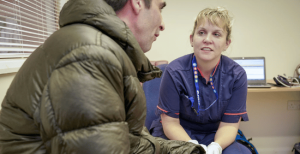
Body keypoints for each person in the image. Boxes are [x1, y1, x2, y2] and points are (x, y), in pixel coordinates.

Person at [0, 0, 206, 153]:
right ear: (137, 3)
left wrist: (189, 150)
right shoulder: (90, 57)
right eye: (160, 8)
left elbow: (132, 142)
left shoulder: (103, 50)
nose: (162, 24)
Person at [150, 7, 251, 154]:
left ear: (226, 43)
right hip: (176, 132)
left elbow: (229, 125)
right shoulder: (174, 71)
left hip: (216, 134)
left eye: (216, 34)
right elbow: (170, 123)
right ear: (192, 39)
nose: (207, 39)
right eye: (201, 32)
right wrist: (191, 146)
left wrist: (216, 147)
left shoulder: (237, 75)